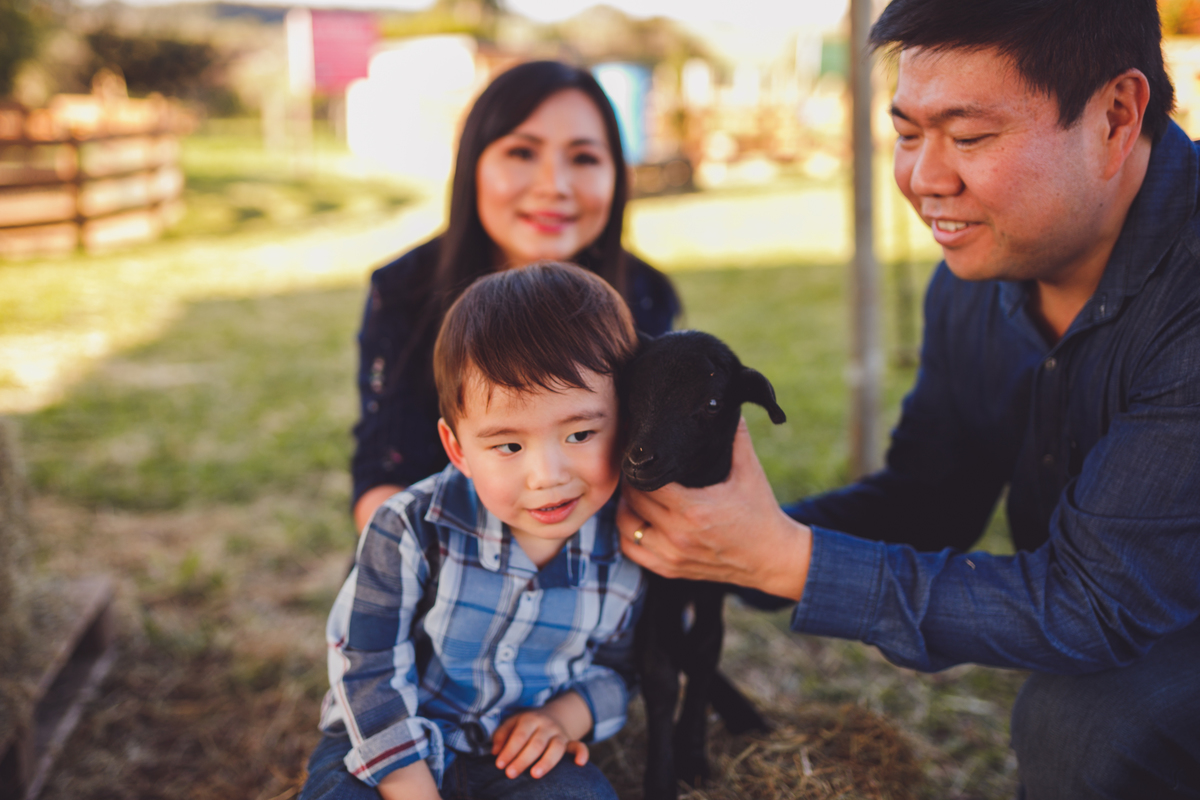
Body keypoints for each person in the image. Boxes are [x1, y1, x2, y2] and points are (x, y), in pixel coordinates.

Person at [616, 1, 1200, 797]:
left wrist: (787, 561)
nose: (924, 179)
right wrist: (731, 547)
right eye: (907, 132)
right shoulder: (973, 279)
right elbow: (932, 498)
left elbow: (1092, 606)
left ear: (1116, 116)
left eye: (968, 137)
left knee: (1085, 723)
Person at [302, 263, 646, 800]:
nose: (548, 475)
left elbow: (619, 670)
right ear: (458, 448)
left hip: (515, 757)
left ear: (626, 421)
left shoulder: (629, 541)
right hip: (392, 746)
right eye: (508, 446)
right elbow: (365, 663)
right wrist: (411, 785)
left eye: (580, 433)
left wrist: (564, 716)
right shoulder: (410, 529)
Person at [351, 60, 680, 532]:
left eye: (584, 158)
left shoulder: (645, 293)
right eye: (523, 153)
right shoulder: (406, 289)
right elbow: (383, 473)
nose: (554, 186)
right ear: (473, 164)